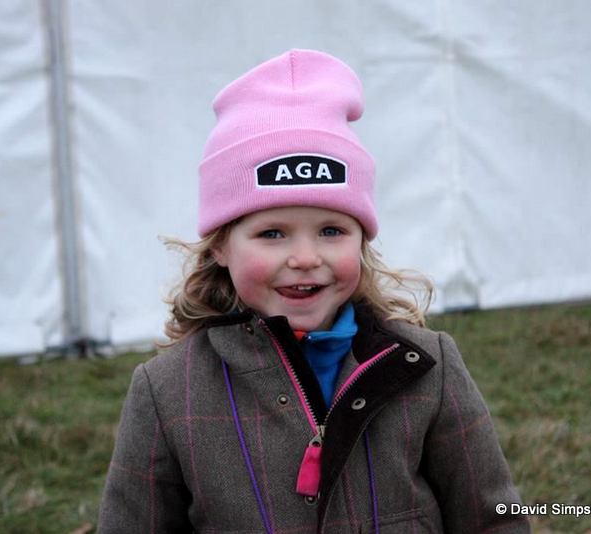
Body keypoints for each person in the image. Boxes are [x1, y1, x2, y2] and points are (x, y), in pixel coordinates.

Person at [98, 49, 529, 534]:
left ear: (362, 240)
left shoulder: (428, 367)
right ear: (220, 245)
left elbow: (493, 519)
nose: (305, 257)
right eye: (272, 233)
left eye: (331, 231)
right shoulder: (167, 392)